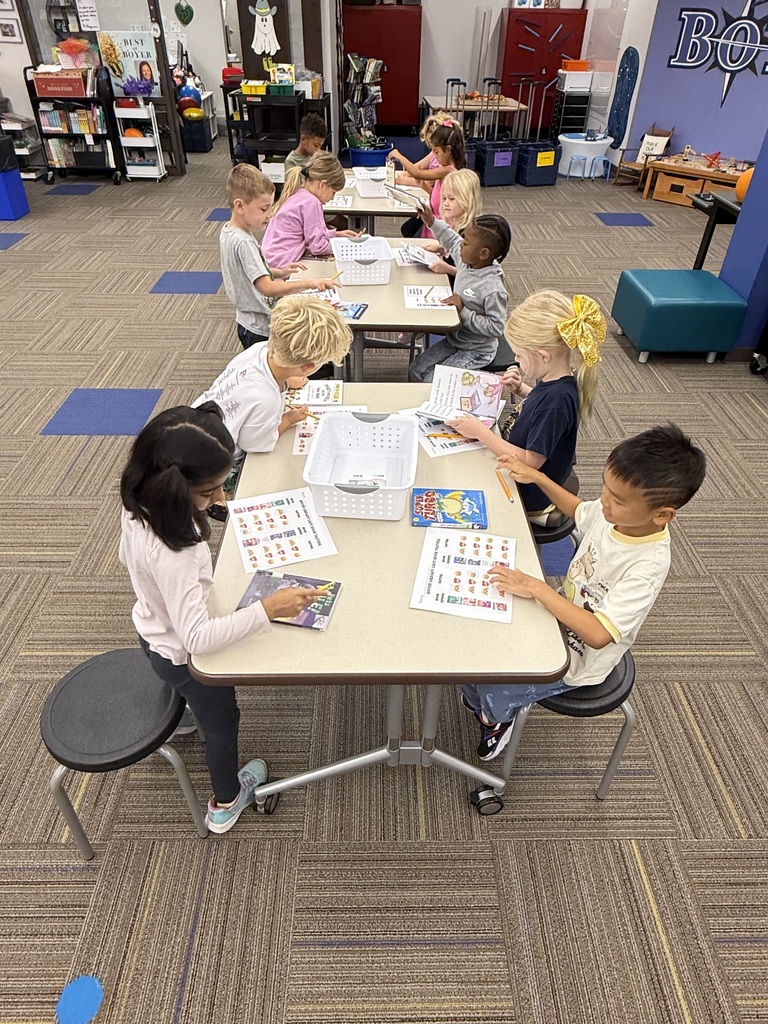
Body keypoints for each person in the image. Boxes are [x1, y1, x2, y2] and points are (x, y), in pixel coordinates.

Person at [119, 403, 325, 832]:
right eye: (209, 492)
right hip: (184, 656)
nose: (221, 499)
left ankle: (185, 718)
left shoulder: (139, 505)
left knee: (182, 687)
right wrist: (267, 611)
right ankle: (226, 801)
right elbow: (197, 640)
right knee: (224, 720)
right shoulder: (177, 550)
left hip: (151, 628)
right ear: (175, 488)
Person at [461, 423, 707, 760]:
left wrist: (535, 587)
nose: (604, 502)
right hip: (559, 612)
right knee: (475, 640)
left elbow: (597, 634)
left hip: (579, 659)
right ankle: (480, 700)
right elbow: (580, 510)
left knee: (497, 675)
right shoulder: (615, 518)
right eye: (605, 489)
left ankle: (495, 721)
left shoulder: (646, 566)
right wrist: (538, 478)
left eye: (617, 500)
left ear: (661, 515)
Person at [448, 291, 605, 526]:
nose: (515, 358)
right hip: (524, 465)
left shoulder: (557, 402)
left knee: (460, 487)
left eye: (520, 354)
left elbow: (530, 464)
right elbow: (542, 406)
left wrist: (480, 432)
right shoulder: (557, 380)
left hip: (529, 492)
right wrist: (522, 389)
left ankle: (531, 520)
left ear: (543, 355)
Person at [193, 295, 352, 515]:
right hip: (214, 464)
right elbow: (255, 444)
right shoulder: (266, 399)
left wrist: (288, 380)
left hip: (195, 423)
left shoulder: (259, 350)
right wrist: (288, 419)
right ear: (308, 368)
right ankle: (222, 501)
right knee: (283, 477)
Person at [221, 164, 338, 350]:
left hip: (248, 321)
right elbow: (267, 288)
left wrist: (278, 271)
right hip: (259, 327)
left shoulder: (230, 231)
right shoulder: (244, 242)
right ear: (240, 206)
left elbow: (250, 271)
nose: (269, 215)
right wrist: (310, 283)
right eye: (263, 209)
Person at [408, 206, 510, 383]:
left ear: (483, 253)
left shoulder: (493, 288)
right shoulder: (467, 261)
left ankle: (443, 406)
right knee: (416, 370)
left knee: (433, 382)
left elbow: (496, 328)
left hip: (477, 350)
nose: (460, 246)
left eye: (466, 243)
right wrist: (430, 221)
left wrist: (463, 310)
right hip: (455, 340)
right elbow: (450, 238)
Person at [262, 151, 360, 266]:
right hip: (282, 265)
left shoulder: (297, 192)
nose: (332, 198)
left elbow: (310, 233)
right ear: (322, 185)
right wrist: (347, 246)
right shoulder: (311, 202)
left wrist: (336, 234)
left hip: (270, 261)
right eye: (333, 192)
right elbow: (318, 247)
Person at [389, 120, 466, 239]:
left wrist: (398, 156)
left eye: (437, 151)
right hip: (434, 218)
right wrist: (423, 186)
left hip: (441, 225)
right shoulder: (444, 167)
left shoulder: (449, 171)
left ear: (449, 150)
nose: (434, 155)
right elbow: (439, 195)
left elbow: (416, 172)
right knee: (407, 229)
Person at [424, 168, 482, 278]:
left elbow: (473, 276)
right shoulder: (457, 225)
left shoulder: (471, 234)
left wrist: (448, 269)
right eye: (444, 198)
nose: (446, 203)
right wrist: (443, 249)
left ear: (467, 199)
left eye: (451, 199)